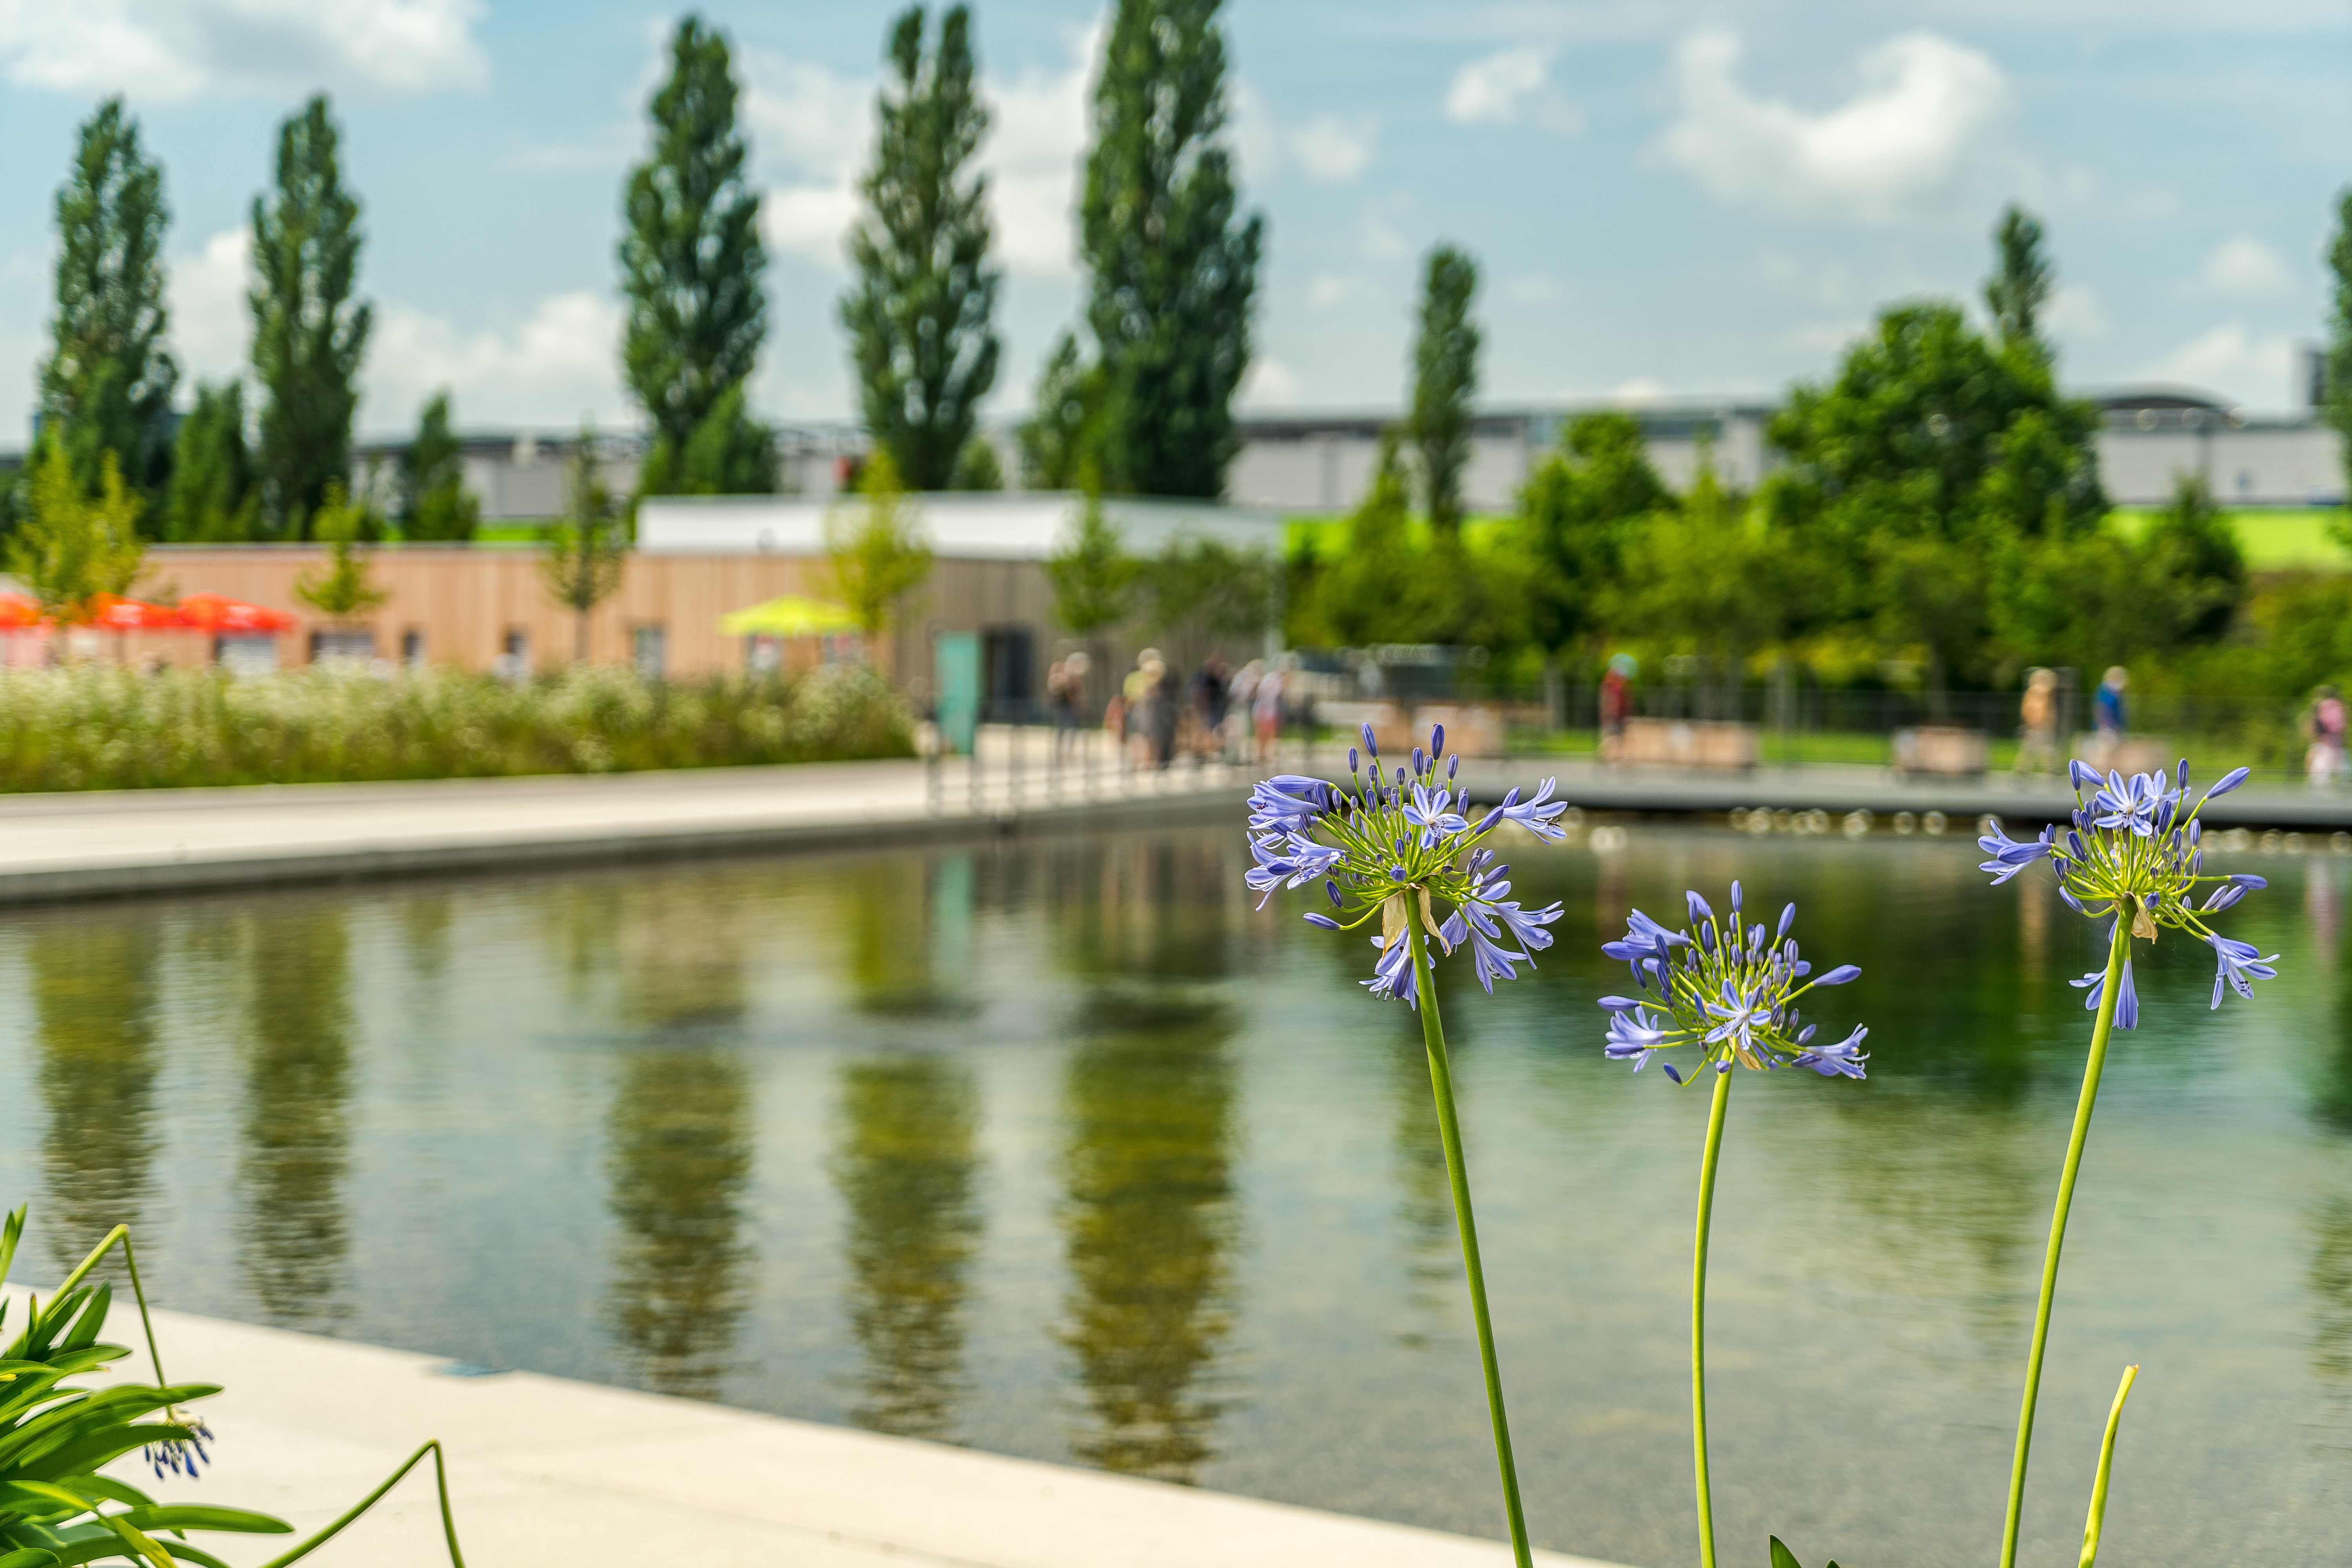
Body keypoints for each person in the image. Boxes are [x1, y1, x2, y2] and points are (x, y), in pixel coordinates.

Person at [2015, 667, 2059, 775]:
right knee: (2038, 747)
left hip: (2041, 724)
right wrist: (2035, 720)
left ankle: (2024, 768)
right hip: (2037, 724)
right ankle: (2049, 769)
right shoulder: (2037, 692)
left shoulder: (2043, 693)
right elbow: (2031, 708)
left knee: (2037, 747)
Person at [2307, 684, 2347, 791]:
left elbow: (2321, 724)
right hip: (2332, 740)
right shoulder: (2337, 706)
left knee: (2323, 764)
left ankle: (2320, 786)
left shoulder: (2324, 706)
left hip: (2325, 740)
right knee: (2333, 763)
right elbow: (2339, 725)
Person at [1598, 653, 1635, 765]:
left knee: (1618, 737)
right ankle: (1603, 756)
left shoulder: (1620, 685)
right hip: (1614, 715)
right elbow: (1608, 701)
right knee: (1612, 736)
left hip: (1619, 714)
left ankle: (1617, 758)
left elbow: (1626, 700)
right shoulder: (1610, 685)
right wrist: (1609, 713)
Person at [1251, 658, 1286, 765]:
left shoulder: (1271, 679)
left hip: (1269, 710)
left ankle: (1264, 755)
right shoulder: (1275, 679)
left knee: (1269, 734)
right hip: (1265, 710)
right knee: (1263, 734)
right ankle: (1261, 755)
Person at [2091, 666, 2128, 766]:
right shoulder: (2106, 691)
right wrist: (2105, 726)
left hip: (2114, 728)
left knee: (2113, 752)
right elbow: (2102, 708)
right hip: (2107, 727)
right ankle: (2102, 773)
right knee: (2105, 751)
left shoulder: (2116, 691)